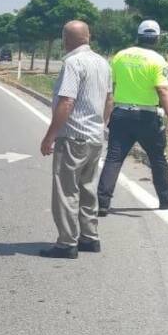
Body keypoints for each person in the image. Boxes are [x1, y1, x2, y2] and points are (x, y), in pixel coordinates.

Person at [39, 20, 113, 259]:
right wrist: (101, 125)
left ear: (65, 39)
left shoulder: (72, 63)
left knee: (66, 190)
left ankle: (67, 242)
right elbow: (109, 99)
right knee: (88, 189)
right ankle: (90, 238)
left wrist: (50, 136)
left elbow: (67, 101)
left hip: (72, 136)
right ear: (88, 36)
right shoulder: (103, 63)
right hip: (95, 136)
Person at [96, 20, 168, 216]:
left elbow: (111, 89)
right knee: (157, 157)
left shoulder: (120, 56)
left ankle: (103, 201)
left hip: (121, 114)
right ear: (157, 38)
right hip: (147, 116)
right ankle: (165, 197)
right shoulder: (157, 60)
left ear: (138, 35)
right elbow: (162, 89)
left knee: (114, 157)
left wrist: (105, 117)